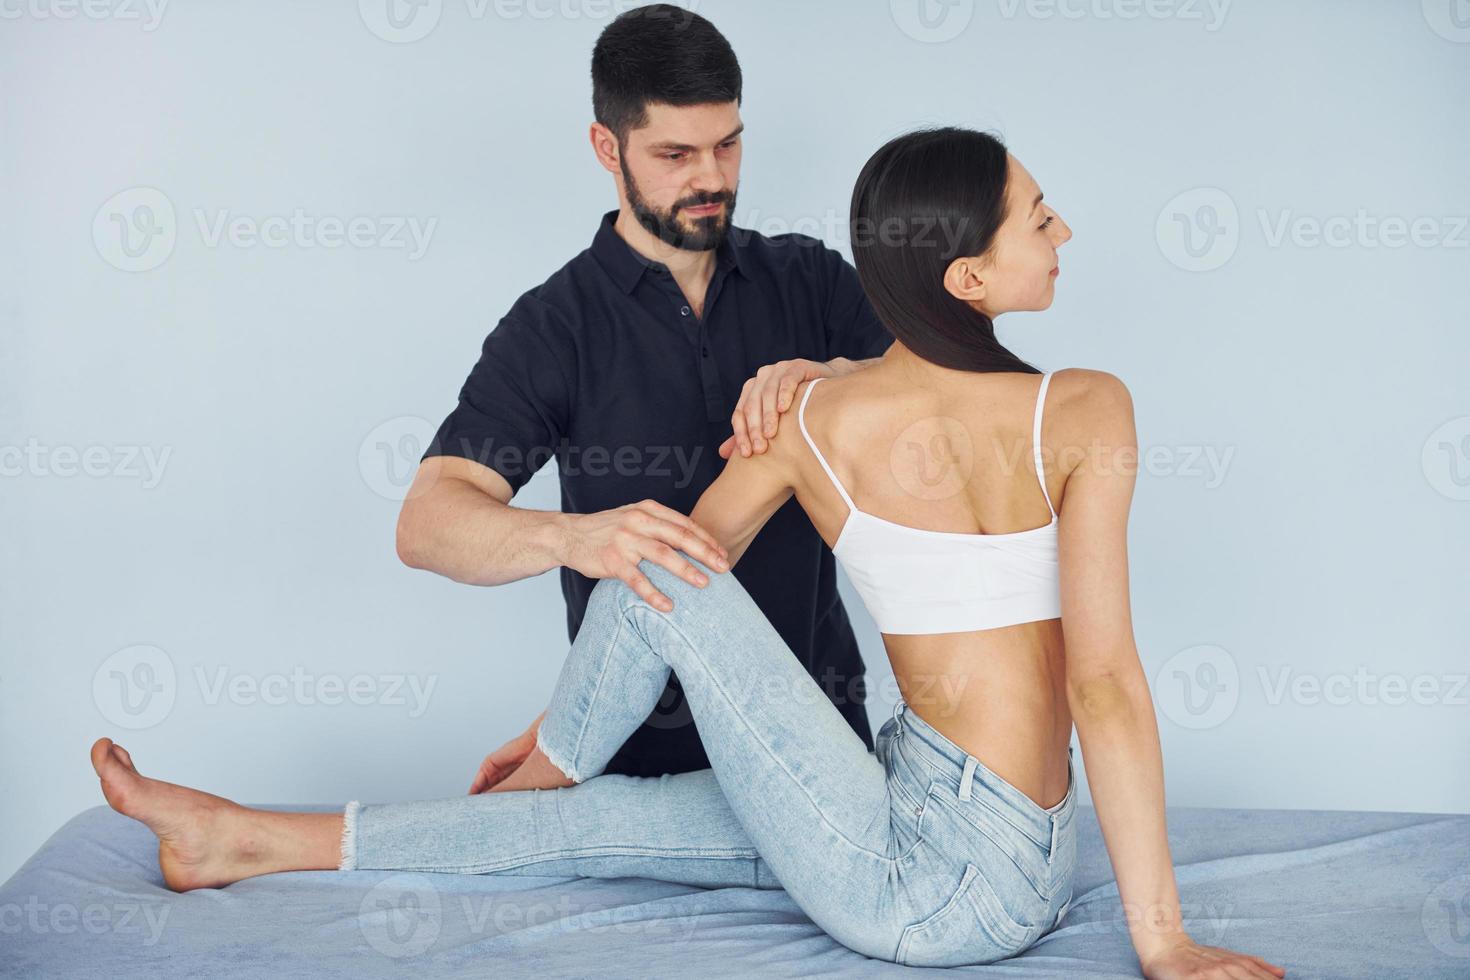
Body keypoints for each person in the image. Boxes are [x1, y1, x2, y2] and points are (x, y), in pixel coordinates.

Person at [89, 124, 1286, 977]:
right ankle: (241, 838)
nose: (1063, 224)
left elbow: (668, 571)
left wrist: (563, 729)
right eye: (1042, 212)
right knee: (607, 810)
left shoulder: (818, 417)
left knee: (653, 555)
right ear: (967, 278)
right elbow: (1106, 688)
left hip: (933, 883)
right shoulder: (1087, 407)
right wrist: (1158, 932)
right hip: (947, 831)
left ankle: (558, 758)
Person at [397, 4, 892, 787]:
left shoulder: (811, 280)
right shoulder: (554, 327)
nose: (711, 178)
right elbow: (427, 522)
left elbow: (947, 393)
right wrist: (575, 538)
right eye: (675, 153)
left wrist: (834, 380)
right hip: (634, 765)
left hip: (820, 751)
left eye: (728, 144)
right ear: (607, 147)